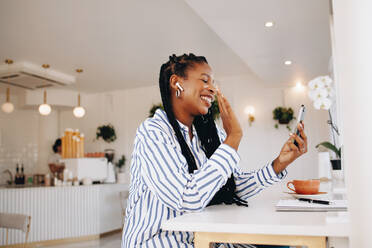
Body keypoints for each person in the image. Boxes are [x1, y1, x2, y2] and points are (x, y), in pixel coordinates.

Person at [121, 54, 307, 248]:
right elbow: (188, 197)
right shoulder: (153, 133)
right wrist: (233, 138)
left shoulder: (210, 134)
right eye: (204, 80)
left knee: (286, 245)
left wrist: (279, 164)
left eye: (213, 82)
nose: (212, 88)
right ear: (176, 83)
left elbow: (230, 188)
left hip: (207, 239)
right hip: (162, 242)